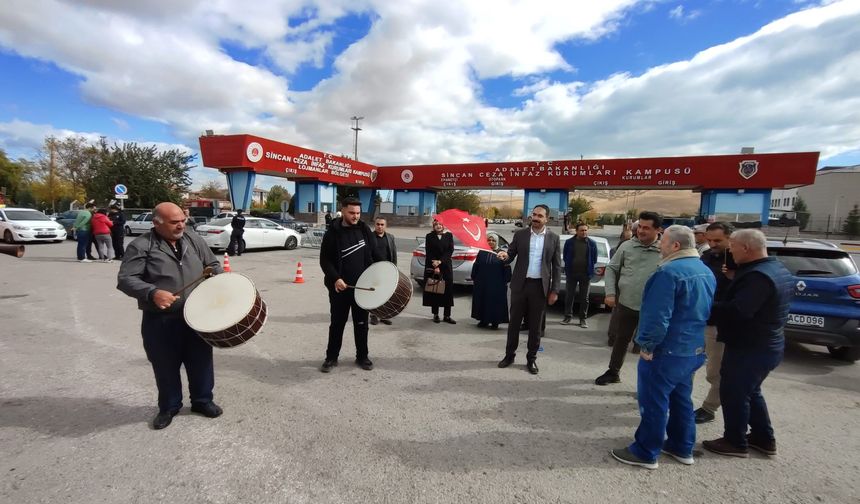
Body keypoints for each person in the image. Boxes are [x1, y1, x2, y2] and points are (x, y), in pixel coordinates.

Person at [610, 226, 716, 469]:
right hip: (692, 349)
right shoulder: (705, 271)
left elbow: (658, 316)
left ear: (676, 246)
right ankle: (682, 446)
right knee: (681, 399)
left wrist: (647, 345)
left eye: (664, 242)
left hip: (666, 351)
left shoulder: (668, 273)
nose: (660, 246)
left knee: (654, 401)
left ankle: (646, 451)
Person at [117, 202, 224, 430]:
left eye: (183, 220)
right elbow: (126, 279)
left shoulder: (193, 239)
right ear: (157, 223)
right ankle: (169, 406)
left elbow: (213, 264)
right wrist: (152, 292)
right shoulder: (141, 245)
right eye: (174, 222)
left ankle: (203, 401)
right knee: (165, 365)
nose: (181, 225)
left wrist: (218, 277)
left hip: (197, 317)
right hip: (161, 320)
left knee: (201, 361)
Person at [703, 229, 792, 458]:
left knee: (734, 393)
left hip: (751, 347)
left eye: (732, 246)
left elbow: (739, 310)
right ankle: (763, 438)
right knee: (751, 392)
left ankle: (735, 441)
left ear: (746, 248)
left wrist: (704, 308)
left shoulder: (758, 277)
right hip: (764, 345)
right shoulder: (774, 268)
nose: (730, 251)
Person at [595, 211, 663, 385]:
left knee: (651, 347)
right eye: (640, 226)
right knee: (621, 340)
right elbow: (611, 269)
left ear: (658, 230)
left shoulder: (665, 249)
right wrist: (610, 293)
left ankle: (650, 383)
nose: (641, 231)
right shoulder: (626, 246)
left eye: (646, 228)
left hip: (653, 309)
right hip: (626, 304)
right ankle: (613, 372)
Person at [319, 197, 383, 373]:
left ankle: (362, 356)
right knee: (337, 324)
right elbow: (324, 260)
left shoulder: (364, 230)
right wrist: (335, 278)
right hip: (340, 289)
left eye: (358, 213)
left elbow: (376, 254)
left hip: (362, 289)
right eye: (352, 213)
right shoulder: (333, 232)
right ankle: (331, 358)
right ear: (343, 211)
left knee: (361, 324)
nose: (355, 216)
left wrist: (386, 272)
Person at [497, 204, 562, 375]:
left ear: (546, 218)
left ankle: (531, 359)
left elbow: (556, 267)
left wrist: (554, 290)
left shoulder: (554, 239)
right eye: (534, 214)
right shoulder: (521, 235)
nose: (535, 218)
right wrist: (505, 256)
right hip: (520, 285)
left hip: (539, 287)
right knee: (514, 324)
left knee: (535, 327)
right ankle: (509, 356)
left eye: (540, 216)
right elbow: (510, 253)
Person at [694, 222, 736, 424]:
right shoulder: (706, 257)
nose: (712, 244)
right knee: (688, 363)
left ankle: (709, 408)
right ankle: (679, 399)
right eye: (709, 240)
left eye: (717, 240)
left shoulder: (738, 261)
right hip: (699, 319)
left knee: (715, 371)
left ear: (730, 237)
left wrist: (733, 276)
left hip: (719, 324)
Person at [470, 234, 511, 329]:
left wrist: (506, 279)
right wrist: (474, 276)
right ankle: (483, 320)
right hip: (482, 282)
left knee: (494, 302)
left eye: (493, 240)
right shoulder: (482, 252)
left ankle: (495, 322)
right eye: (489, 240)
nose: (491, 242)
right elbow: (476, 264)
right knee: (483, 300)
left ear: (497, 242)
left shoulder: (501, 253)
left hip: (497, 283)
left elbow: (507, 267)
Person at [561, 222, 598, 328]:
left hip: (585, 275)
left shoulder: (592, 243)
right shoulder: (569, 242)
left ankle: (583, 319)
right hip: (571, 274)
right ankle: (567, 317)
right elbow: (566, 256)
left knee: (584, 298)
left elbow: (594, 259)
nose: (584, 232)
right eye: (582, 230)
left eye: (586, 230)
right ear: (576, 231)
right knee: (569, 296)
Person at [423, 219, 456, 324]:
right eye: (436, 224)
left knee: (447, 291)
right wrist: (435, 264)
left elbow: (450, 250)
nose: (438, 226)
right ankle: (435, 314)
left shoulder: (449, 235)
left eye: (440, 224)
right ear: (433, 226)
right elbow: (429, 251)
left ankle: (447, 316)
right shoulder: (429, 236)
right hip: (433, 266)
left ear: (443, 225)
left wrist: (440, 261)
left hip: (446, 266)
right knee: (435, 290)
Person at [370, 217, 397, 326]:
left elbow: (394, 254)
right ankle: (374, 315)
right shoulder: (369, 237)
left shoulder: (390, 237)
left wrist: (394, 269)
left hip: (387, 269)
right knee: (374, 294)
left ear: (385, 226)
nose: (380, 226)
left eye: (382, 224)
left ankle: (384, 315)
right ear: (374, 225)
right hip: (374, 270)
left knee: (385, 294)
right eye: (378, 224)